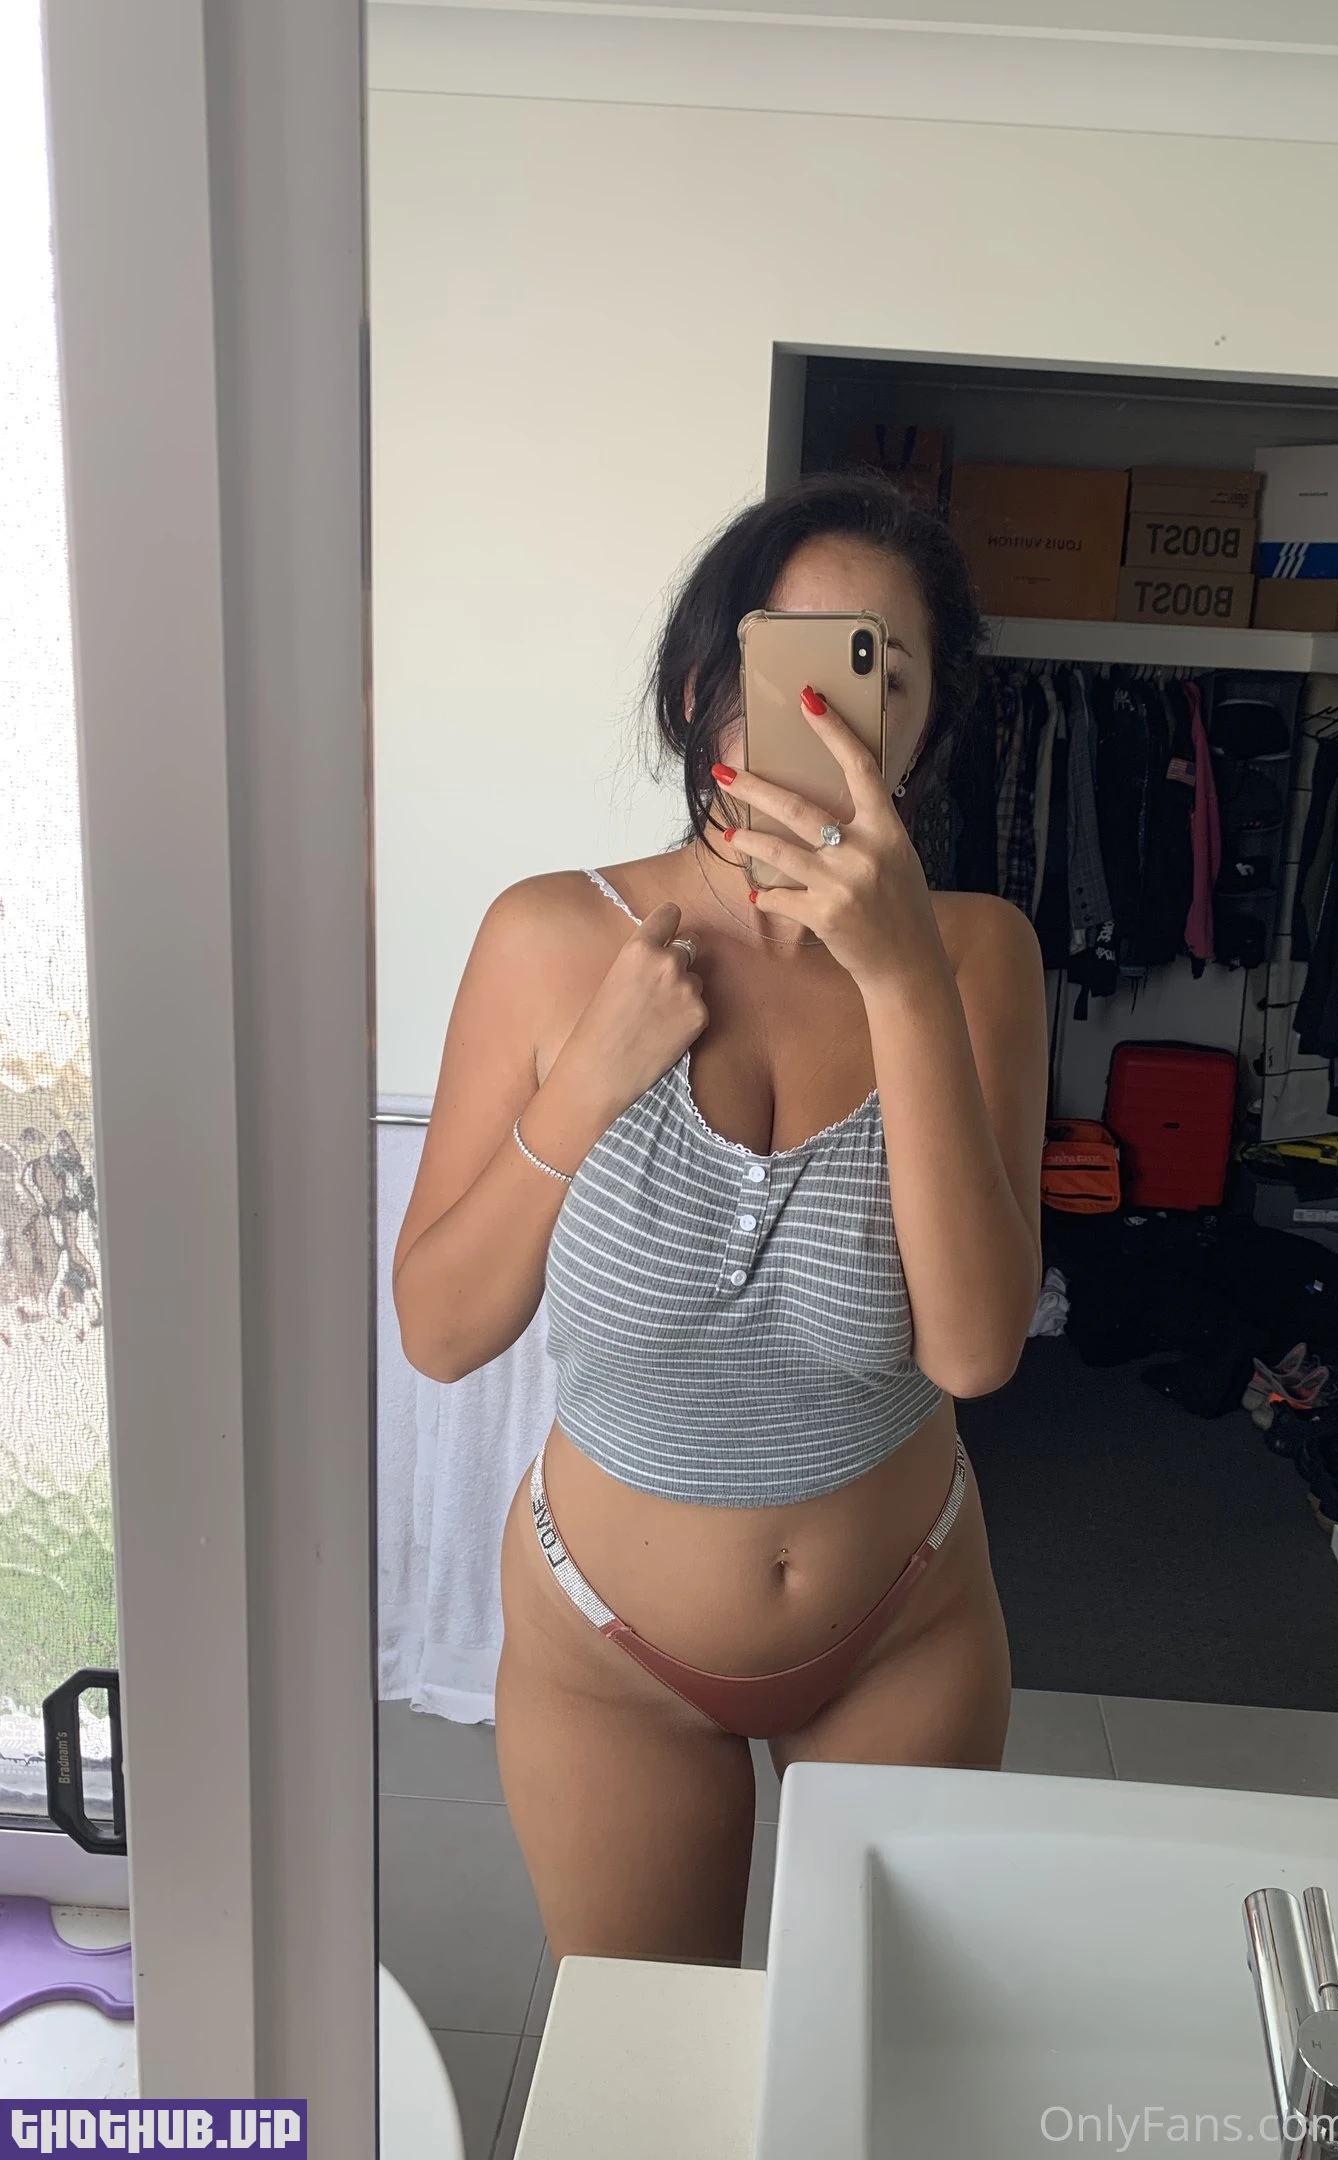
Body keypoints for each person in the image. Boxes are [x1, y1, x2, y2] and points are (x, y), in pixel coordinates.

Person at [394, 473, 1048, 1963]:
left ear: (925, 727)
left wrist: (899, 978)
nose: (829, 715)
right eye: (793, 656)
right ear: (704, 686)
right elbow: (438, 1331)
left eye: (880, 673)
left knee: (872, 2056)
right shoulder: (549, 937)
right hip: (606, 1656)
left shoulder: (977, 955)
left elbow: (974, 1349)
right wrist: (591, 1080)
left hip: (904, 1632)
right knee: (654, 2063)